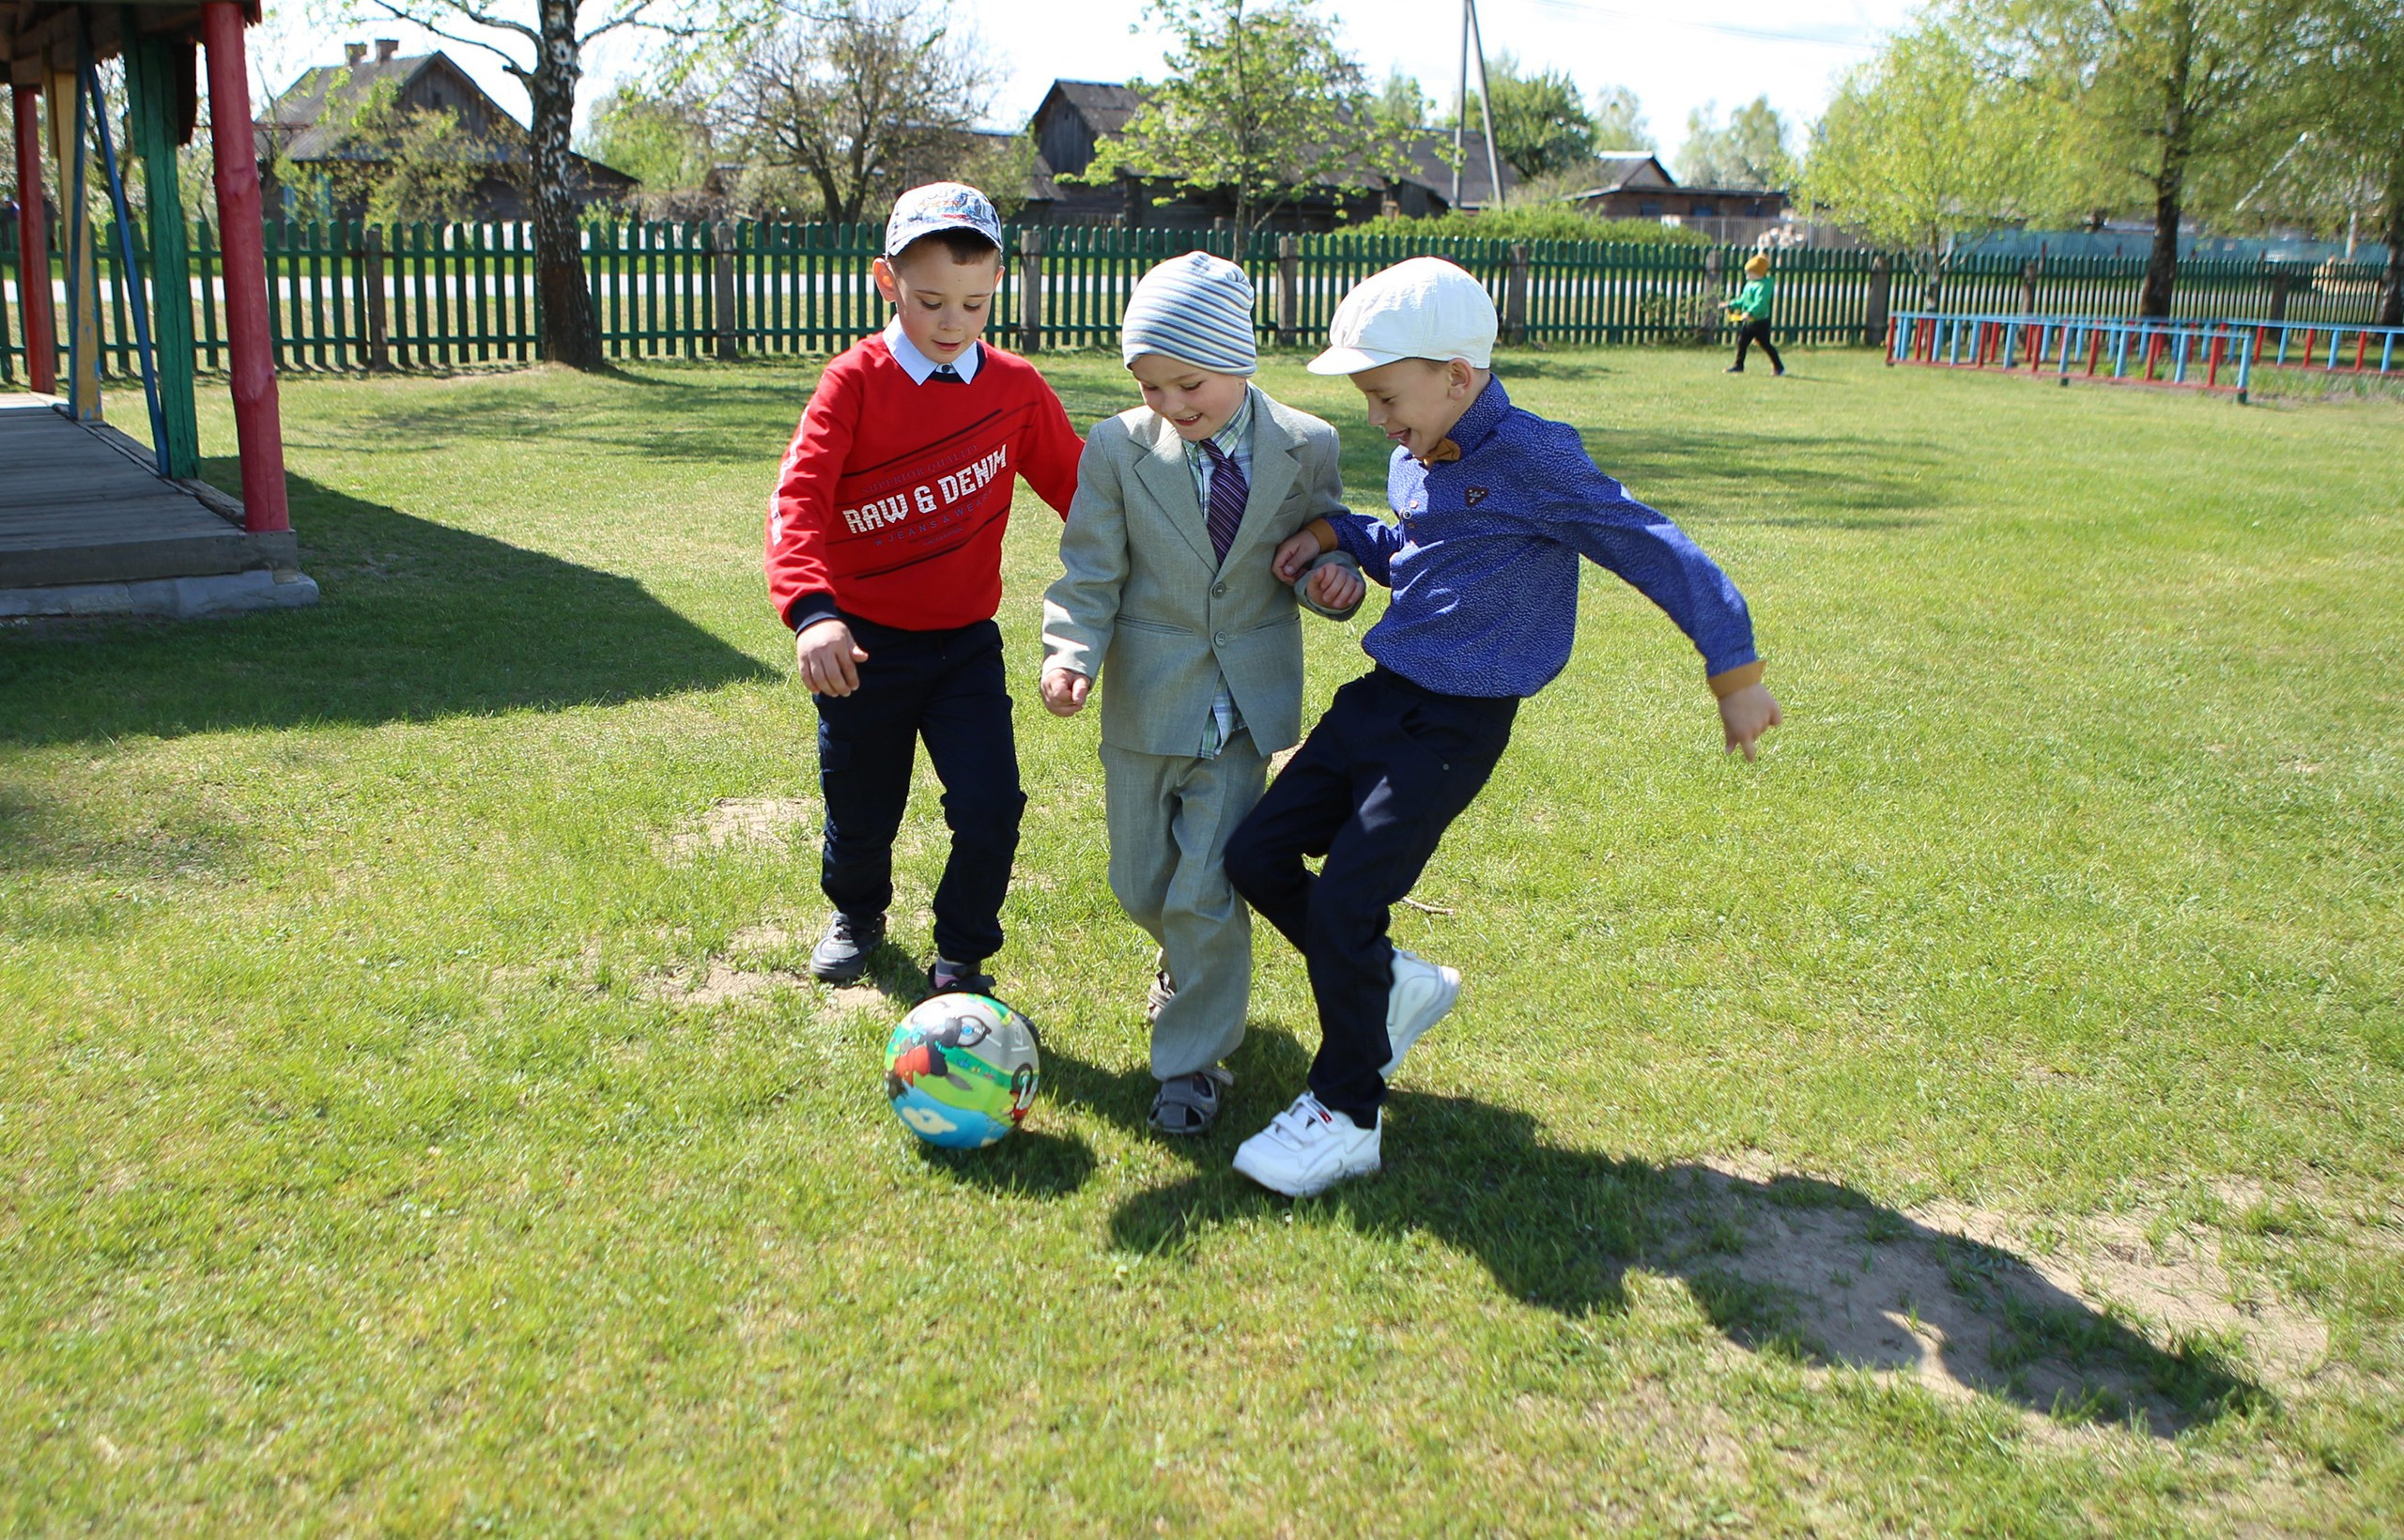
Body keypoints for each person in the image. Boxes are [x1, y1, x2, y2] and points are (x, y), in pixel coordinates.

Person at [1222, 256, 1783, 1197]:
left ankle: (1346, 1112)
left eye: (1386, 397)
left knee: (1350, 899)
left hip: (1452, 729)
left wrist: (1733, 670)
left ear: (1456, 374)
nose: (1377, 420)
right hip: (1377, 699)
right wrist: (1332, 535)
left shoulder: (1536, 458)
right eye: (1368, 401)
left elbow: (1655, 547)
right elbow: (1417, 550)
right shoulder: (1416, 452)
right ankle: (1390, 982)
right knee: (1255, 855)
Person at [1039, 252, 1366, 1136]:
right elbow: (1090, 570)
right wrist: (1070, 652)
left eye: (1190, 384)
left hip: (1243, 711)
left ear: (1238, 359)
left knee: (1204, 890)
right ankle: (1187, 965)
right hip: (1146, 702)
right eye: (1151, 386)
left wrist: (1332, 579)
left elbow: (1326, 539)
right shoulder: (1117, 448)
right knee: (1141, 882)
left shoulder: (1307, 444)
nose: (1173, 405)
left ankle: (1191, 1064)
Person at [763, 182, 1085, 997]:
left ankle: (962, 955)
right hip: (861, 649)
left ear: (998, 285)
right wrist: (812, 614)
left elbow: (1082, 491)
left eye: (974, 304)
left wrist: (1167, 546)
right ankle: (857, 913)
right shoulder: (852, 382)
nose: (952, 323)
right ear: (887, 281)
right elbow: (798, 501)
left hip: (965, 648)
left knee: (991, 805)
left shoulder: (1016, 388)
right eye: (931, 301)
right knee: (863, 812)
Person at [1724, 252, 1783, 376]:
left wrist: (1749, 312)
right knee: (1742, 342)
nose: (1746, 276)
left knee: (1765, 344)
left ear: (1757, 273)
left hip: (1760, 321)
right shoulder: (1749, 285)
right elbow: (1743, 300)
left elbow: (1760, 303)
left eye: (1749, 273)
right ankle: (1738, 366)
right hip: (1750, 321)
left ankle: (1779, 368)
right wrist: (1730, 304)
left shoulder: (1763, 286)